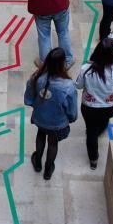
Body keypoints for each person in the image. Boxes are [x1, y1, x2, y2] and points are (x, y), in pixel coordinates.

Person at [24, 47, 78, 180]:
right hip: (57, 123)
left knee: (40, 136)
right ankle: (48, 170)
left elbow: (28, 100)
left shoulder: (36, 78)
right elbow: (72, 111)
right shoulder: (68, 86)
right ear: (62, 64)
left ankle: (37, 163)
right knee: (53, 143)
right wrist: (71, 118)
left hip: (40, 118)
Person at [74, 38, 113, 169]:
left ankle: (93, 160)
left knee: (91, 131)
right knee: (103, 120)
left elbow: (78, 86)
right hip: (110, 107)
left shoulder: (86, 69)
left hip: (90, 108)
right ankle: (101, 128)